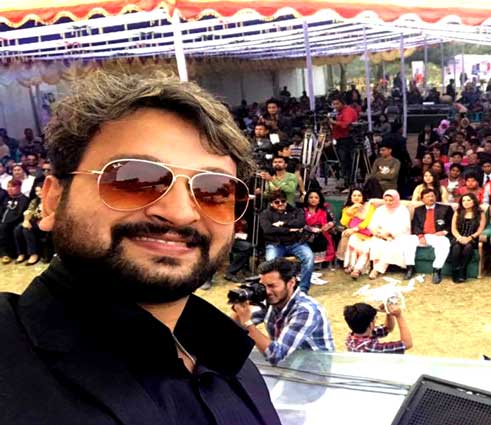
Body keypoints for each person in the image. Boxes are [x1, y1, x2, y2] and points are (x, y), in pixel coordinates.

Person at [0, 72, 281, 424]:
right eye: (134, 180)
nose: (180, 213)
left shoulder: (234, 361)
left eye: (214, 191)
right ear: (54, 200)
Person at [232, 258, 334, 366]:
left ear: (291, 283)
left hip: (314, 369)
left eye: (272, 286)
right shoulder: (272, 301)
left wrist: (247, 323)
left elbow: (276, 355)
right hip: (289, 363)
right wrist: (239, 306)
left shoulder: (306, 310)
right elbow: (234, 328)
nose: (267, 292)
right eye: (263, 286)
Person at [259, 190, 315, 293]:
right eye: (277, 202)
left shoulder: (296, 210)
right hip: (275, 244)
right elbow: (268, 230)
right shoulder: (265, 214)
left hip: (295, 242)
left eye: (283, 201)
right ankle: (277, 289)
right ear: (271, 203)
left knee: (309, 257)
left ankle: (303, 290)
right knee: (270, 264)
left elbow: (301, 223)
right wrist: (289, 230)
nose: (281, 204)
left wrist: (283, 223)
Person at [403, 188, 454, 284]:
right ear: (422, 199)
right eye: (427, 197)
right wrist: (420, 236)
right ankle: (410, 268)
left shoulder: (446, 209)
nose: (431, 198)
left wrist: (444, 232)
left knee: (444, 243)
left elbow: (452, 224)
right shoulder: (418, 210)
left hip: (438, 236)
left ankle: (437, 270)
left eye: (432, 196)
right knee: (407, 240)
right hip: (423, 236)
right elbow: (415, 225)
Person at [367, 190, 412, 279]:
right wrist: (378, 233)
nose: (388, 202)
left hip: (398, 235)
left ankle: (377, 270)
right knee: (376, 243)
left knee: (391, 245)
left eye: (391, 200)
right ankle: (376, 268)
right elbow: (373, 224)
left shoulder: (402, 210)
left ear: (396, 199)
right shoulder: (380, 209)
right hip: (381, 234)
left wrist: (390, 234)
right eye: (386, 200)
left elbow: (405, 226)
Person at [343, 303, 413, 353]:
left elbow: (387, 328)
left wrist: (388, 312)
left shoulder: (351, 337)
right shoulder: (369, 347)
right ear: (371, 324)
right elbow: (407, 344)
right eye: (375, 318)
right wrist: (399, 316)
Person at [338, 188, 375, 279]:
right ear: (350, 197)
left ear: (363, 197)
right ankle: (351, 266)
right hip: (355, 234)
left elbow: (367, 222)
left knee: (365, 248)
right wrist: (350, 210)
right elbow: (344, 223)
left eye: (359, 195)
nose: (356, 197)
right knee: (353, 241)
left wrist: (355, 229)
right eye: (354, 195)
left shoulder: (369, 207)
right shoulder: (347, 208)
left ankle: (357, 269)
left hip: (368, 233)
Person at [449, 193, 486, 283]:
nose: (465, 202)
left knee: (468, 247)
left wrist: (470, 238)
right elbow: (453, 228)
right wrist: (459, 237)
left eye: (468, 200)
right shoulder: (458, 212)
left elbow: (480, 229)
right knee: (456, 247)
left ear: (474, 201)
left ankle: (463, 270)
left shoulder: (480, 213)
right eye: (463, 200)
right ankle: (455, 271)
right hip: (458, 237)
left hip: (472, 237)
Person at [329, 97, 359, 190]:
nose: (335, 106)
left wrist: (333, 122)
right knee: (343, 162)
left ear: (342, 103)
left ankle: (349, 183)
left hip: (347, 140)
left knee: (347, 162)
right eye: (333, 104)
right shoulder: (337, 112)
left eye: (337, 104)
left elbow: (346, 124)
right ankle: (346, 181)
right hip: (339, 139)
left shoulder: (348, 111)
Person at [13, 179, 44, 265]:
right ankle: (21, 253)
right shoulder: (35, 201)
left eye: (40, 190)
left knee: (27, 229)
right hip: (33, 221)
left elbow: (44, 215)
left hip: (44, 222)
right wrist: (26, 221)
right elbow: (28, 211)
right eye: (36, 191)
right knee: (18, 229)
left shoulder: (50, 201)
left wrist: (32, 216)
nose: (38, 193)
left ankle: (34, 254)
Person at [0, 179, 30, 264]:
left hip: (15, 222)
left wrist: (5, 222)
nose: (10, 189)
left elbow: (19, 215)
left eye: (13, 186)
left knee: (3, 228)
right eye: (8, 187)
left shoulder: (24, 199)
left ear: (19, 187)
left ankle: (6, 254)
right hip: (4, 222)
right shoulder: (6, 199)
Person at [303, 190, 336, 266]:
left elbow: (333, 220)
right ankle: (310, 261)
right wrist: (312, 229)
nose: (313, 199)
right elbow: (300, 224)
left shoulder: (325, 209)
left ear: (319, 200)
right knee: (311, 239)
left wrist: (329, 224)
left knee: (321, 239)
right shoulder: (303, 210)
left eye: (316, 198)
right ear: (307, 199)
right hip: (306, 232)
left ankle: (319, 262)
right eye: (311, 197)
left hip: (322, 231)